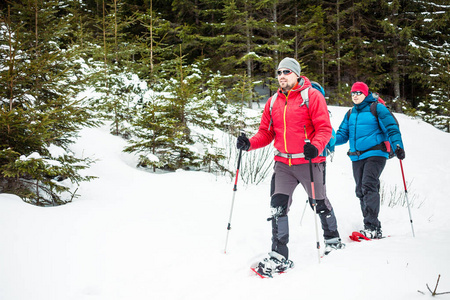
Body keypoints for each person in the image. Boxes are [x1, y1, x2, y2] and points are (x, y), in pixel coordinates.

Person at [237, 57, 344, 276]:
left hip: (309, 161)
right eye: (279, 73)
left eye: (286, 72)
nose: (282, 76)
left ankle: (332, 238)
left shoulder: (312, 96)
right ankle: (279, 255)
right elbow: (266, 133)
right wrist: (249, 144)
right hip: (283, 163)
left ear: (296, 74)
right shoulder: (273, 101)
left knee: (319, 203)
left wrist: (315, 147)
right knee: (278, 207)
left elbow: (324, 128)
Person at [335, 82, 405, 239]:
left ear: (365, 94)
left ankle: (373, 227)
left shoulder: (376, 108)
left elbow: (392, 128)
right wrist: (326, 139)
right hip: (356, 156)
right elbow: (341, 135)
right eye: (353, 93)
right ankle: (370, 225)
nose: (355, 96)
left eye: (358, 93)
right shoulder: (350, 113)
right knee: (360, 190)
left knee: (368, 185)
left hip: (376, 153)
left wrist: (398, 146)